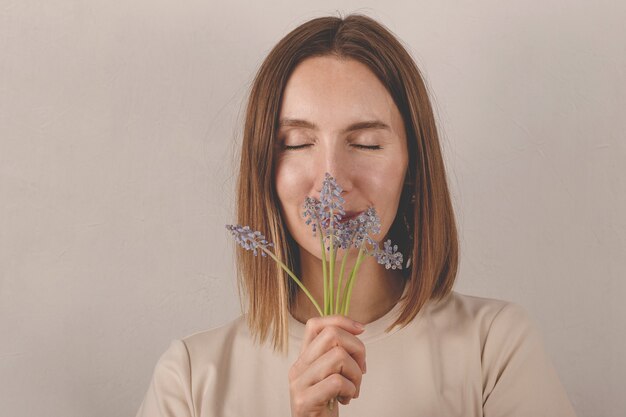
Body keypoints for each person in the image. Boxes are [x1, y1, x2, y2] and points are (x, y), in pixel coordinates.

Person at [135, 13, 577, 417]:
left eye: (366, 143)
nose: (333, 178)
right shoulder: (192, 380)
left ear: (413, 165)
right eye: (296, 143)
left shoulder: (492, 351)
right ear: (264, 168)